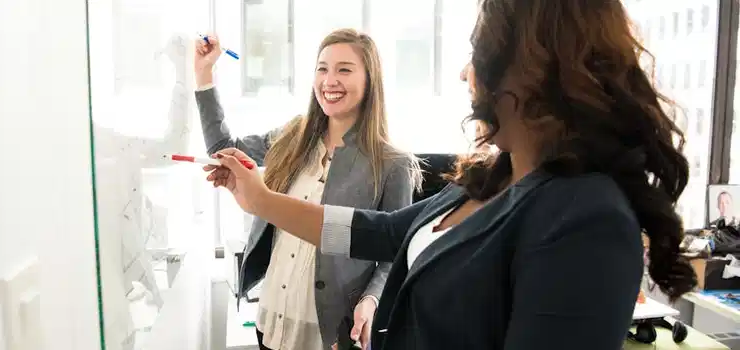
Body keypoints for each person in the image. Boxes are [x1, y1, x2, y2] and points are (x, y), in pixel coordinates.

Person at [204, 1, 698, 349]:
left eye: (476, 53)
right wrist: (260, 200)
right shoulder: (487, 178)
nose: (465, 74)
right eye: (321, 69)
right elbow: (385, 232)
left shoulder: (585, 218)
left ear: (531, 67)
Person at [193, 29, 419, 350]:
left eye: (344, 69)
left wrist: (371, 300)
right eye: (322, 68)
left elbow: (393, 253)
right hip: (272, 318)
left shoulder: (393, 164)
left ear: (370, 81)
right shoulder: (293, 136)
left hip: (328, 333)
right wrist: (204, 74)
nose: (329, 80)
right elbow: (223, 149)